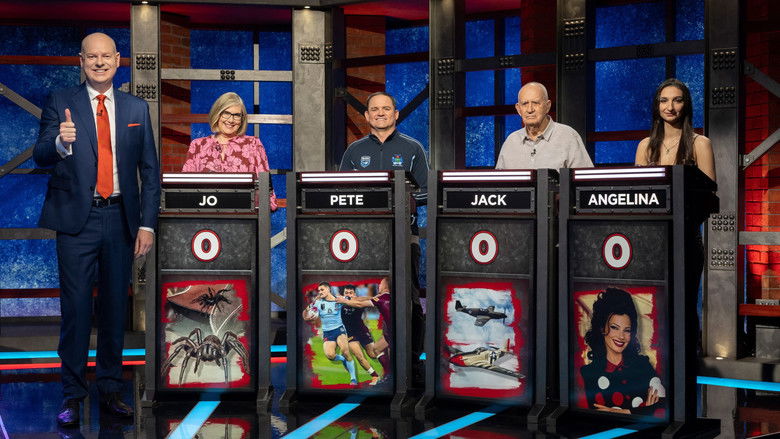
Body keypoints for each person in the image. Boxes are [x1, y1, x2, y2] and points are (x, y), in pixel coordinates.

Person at [33, 32, 160, 426]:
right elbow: (40, 155)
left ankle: (109, 390)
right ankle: (72, 395)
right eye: (92, 57)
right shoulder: (60, 101)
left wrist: (147, 225)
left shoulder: (136, 107)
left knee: (114, 310)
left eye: (106, 56)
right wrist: (59, 141)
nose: (100, 62)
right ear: (81, 61)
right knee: (75, 311)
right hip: (78, 221)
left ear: (118, 60)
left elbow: (150, 172)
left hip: (121, 220)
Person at [339, 92, 427, 378]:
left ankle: (412, 362)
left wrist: (401, 199)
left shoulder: (413, 148)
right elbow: (341, 191)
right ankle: (375, 359)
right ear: (366, 116)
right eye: (374, 109)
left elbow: (426, 192)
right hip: (365, 239)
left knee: (409, 299)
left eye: (386, 108)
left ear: (396, 114)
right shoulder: (354, 151)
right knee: (372, 297)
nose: (380, 113)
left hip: (405, 236)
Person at [181, 92, 277, 210]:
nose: (231, 120)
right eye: (226, 113)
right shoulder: (198, 145)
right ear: (217, 114)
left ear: (242, 119)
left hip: (243, 215)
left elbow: (266, 189)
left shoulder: (253, 144)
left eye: (237, 115)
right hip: (205, 212)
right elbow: (185, 189)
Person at [580, 288, 665, 416]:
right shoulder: (589, 373)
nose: (621, 336)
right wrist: (646, 410)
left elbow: (665, 404)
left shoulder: (642, 365)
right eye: (614, 328)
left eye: (627, 330)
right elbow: (599, 414)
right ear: (602, 328)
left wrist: (626, 412)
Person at [496, 82, 593, 170]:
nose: (530, 109)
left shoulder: (568, 137)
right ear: (518, 109)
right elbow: (499, 182)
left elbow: (585, 180)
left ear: (547, 106)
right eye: (525, 104)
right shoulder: (511, 142)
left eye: (535, 103)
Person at [634, 78, 716, 182]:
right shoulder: (645, 146)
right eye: (664, 101)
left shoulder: (700, 143)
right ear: (657, 105)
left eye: (677, 100)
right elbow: (640, 189)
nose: (670, 108)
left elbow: (709, 189)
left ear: (686, 105)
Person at [302, 282, 358, 385]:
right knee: (330, 355)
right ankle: (343, 360)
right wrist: (307, 315)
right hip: (327, 332)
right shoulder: (317, 303)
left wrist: (371, 299)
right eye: (319, 290)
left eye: (322, 289)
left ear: (329, 289)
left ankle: (353, 378)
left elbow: (355, 300)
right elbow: (305, 314)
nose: (320, 292)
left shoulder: (338, 299)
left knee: (345, 351)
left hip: (339, 329)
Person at [337, 285, 381, 385]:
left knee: (373, 354)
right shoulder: (339, 303)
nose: (348, 295)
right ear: (343, 294)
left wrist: (376, 297)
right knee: (359, 356)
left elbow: (365, 299)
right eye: (346, 293)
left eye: (350, 293)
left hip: (362, 331)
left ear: (354, 294)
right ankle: (375, 376)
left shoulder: (358, 301)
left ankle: (389, 361)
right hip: (350, 334)